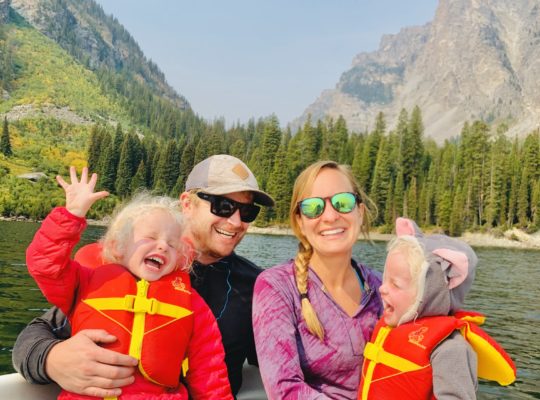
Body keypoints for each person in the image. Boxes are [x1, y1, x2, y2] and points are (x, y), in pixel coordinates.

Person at [13, 155, 274, 398]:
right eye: (223, 206)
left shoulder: (261, 288)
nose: (236, 222)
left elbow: (278, 360)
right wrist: (51, 359)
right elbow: (35, 334)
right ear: (187, 203)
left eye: (248, 212)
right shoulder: (116, 268)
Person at [252, 160, 384, 398]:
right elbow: (284, 389)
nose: (331, 216)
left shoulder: (382, 287)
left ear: (360, 213)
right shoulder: (276, 287)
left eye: (343, 203)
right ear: (300, 222)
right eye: (313, 207)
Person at [358, 217, 516, 400]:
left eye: (395, 284)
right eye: (385, 280)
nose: (382, 288)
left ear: (429, 293)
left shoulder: (451, 348)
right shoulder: (391, 326)